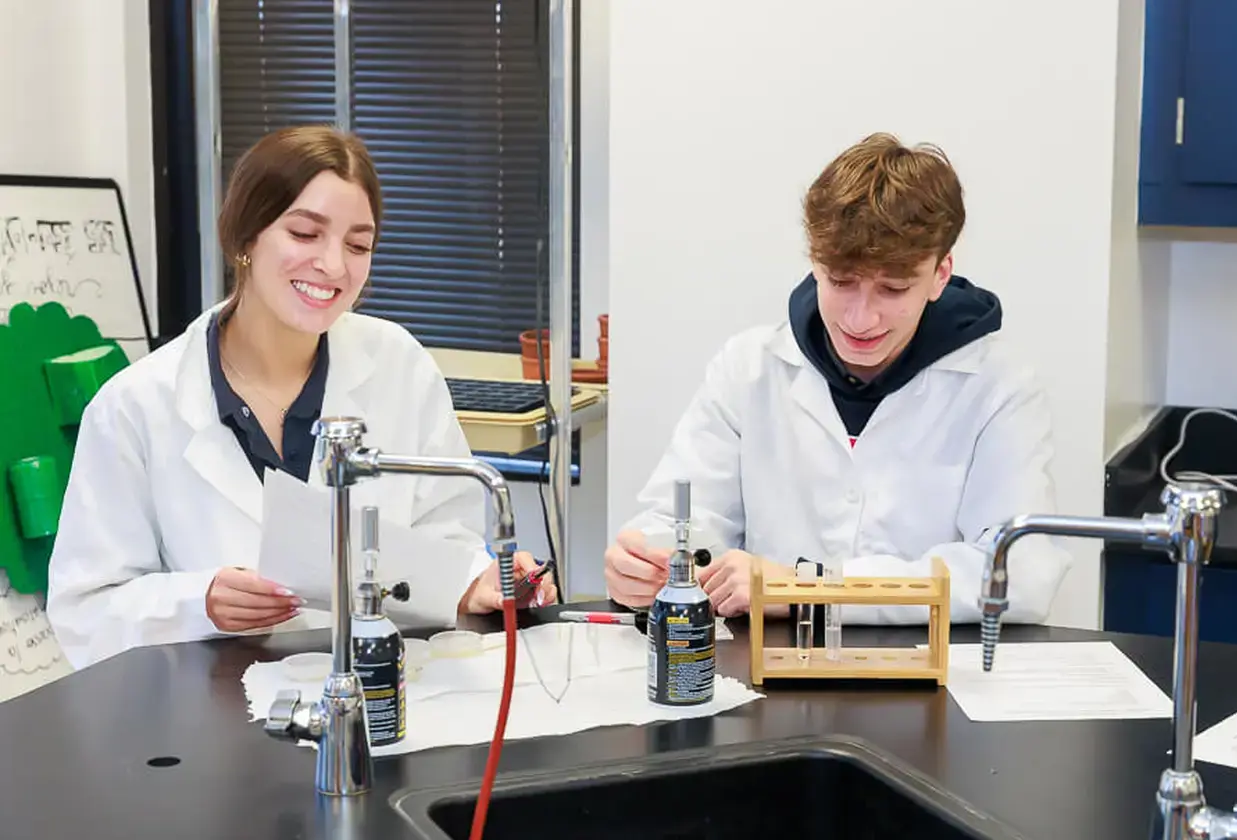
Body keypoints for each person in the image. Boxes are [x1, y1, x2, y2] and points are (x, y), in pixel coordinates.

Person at [46, 126, 556, 668]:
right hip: (214, 716)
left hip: (383, 694)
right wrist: (199, 603)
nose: (334, 266)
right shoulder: (135, 405)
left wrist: (473, 581)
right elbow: (85, 612)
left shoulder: (398, 364)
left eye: (357, 245)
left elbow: (447, 539)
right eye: (305, 234)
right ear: (245, 237)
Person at [604, 132, 1070, 624]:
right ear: (814, 263)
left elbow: (1020, 576)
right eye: (841, 282)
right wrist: (644, 561)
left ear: (940, 274)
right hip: (765, 674)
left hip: (932, 681)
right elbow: (684, 522)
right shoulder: (748, 369)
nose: (860, 319)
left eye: (892, 288)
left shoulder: (999, 386)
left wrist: (811, 590)